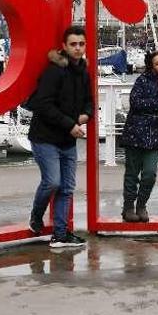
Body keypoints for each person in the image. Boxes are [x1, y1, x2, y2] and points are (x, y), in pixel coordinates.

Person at [27, 26, 94, 248]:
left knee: (67, 187)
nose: (78, 48)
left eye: (81, 44)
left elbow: (88, 101)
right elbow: (42, 104)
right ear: (64, 47)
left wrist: (86, 114)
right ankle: (36, 217)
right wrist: (70, 125)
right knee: (52, 182)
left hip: (67, 139)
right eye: (73, 44)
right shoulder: (54, 71)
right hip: (45, 136)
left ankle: (60, 234)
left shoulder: (83, 71)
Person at [119, 51, 158, 222]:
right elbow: (135, 102)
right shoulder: (142, 80)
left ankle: (141, 205)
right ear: (151, 66)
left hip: (154, 133)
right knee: (132, 173)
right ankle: (128, 207)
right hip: (135, 132)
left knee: (150, 173)